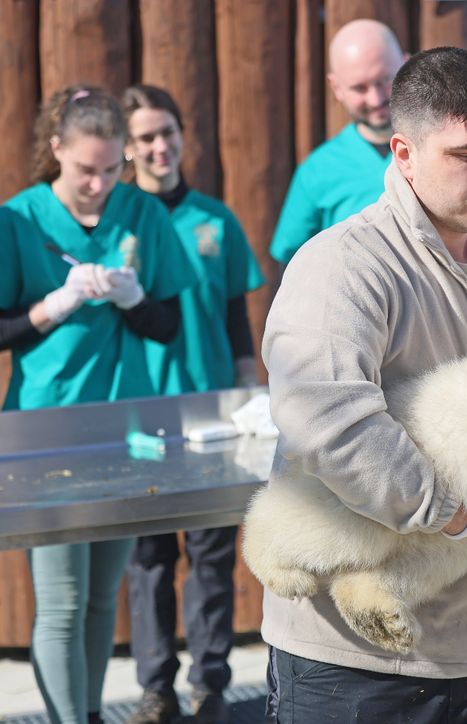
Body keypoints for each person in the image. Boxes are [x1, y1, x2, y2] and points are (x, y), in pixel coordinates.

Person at [261, 46, 467, 723]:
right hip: (357, 662)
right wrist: (448, 512)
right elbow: (328, 419)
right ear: (404, 152)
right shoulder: (341, 266)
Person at [0, 86, 196, 724]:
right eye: (87, 170)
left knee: (100, 596)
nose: (100, 184)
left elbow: (169, 324)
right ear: (56, 150)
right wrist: (50, 307)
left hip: (123, 429)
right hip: (46, 428)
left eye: (114, 170)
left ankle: (84, 715)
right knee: (60, 599)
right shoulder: (19, 219)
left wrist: (134, 300)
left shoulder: (142, 213)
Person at [120, 84, 266, 724]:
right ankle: (156, 689)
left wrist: (247, 395)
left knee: (210, 554)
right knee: (148, 557)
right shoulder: (119, 226)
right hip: (140, 416)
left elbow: (237, 317)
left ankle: (210, 684)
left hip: (210, 411)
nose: (159, 146)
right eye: (145, 137)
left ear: (182, 135)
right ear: (127, 150)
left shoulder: (216, 219)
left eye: (167, 132)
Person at [268, 18, 467, 266]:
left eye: (385, 80)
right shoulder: (318, 171)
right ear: (336, 87)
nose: (375, 99)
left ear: (407, 69)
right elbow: (297, 260)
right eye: (359, 88)